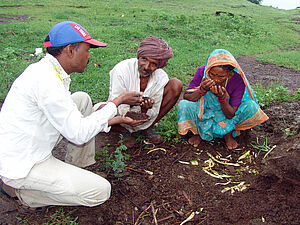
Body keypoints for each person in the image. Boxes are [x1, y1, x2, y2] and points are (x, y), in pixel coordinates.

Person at [0, 21, 145, 212]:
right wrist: (117, 102)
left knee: (81, 100)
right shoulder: (47, 82)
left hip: (29, 142)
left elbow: (73, 124)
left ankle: (79, 165)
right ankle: (22, 193)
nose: (89, 55)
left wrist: (115, 119)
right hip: (24, 163)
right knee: (100, 191)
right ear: (70, 50)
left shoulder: (47, 71)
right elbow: (78, 134)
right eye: (87, 50)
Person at [177, 49, 269, 149]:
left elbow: (230, 114)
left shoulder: (237, 80)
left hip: (226, 114)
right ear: (208, 70)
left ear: (229, 75)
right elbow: (187, 97)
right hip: (204, 112)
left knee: (251, 107)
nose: (215, 79)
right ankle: (198, 133)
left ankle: (228, 133)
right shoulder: (202, 72)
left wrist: (222, 99)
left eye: (221, 76)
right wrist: (202, 90)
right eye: (212, 74)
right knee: (184, 105)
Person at [107, 36, 183, 146]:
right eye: (144, 59)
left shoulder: (161, 77)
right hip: (120, 111)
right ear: (138, 57)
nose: (146, 67)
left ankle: (148, 127)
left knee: (176, 85)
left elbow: (155, 107)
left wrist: (145, 110)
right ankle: (122, 130)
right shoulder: (122, 70)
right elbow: (117, 101)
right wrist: (127, 118)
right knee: (102, 109)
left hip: (144, 114)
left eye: (153, 64)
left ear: (159, 66)